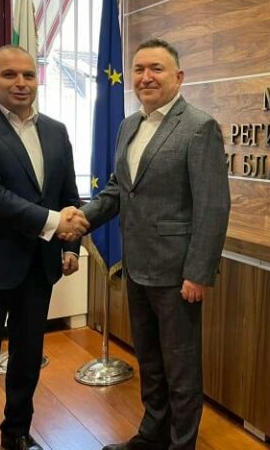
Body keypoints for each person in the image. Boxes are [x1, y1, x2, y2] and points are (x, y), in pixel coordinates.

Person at [75, 39, 230, 450]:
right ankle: (152, 436)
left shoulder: (199, 127)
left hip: (178, 274)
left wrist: (198, 273)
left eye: (156, 69)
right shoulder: (129, 126)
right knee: (150, 360)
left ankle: (182, 444)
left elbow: (213, 206)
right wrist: (82, 218)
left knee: (181, 369)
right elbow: (118, 189)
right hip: (137, 266)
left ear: (178, 77)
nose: (146, 77)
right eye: (139, 69)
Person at [0, 45, 90, 450]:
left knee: (27, 358)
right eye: (9, 75)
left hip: (38, 265)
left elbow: (67, 195)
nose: (21, 83)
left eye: (28, 74)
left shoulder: (56, 130)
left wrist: (71, 246)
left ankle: (17, 434)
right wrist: (54, 223)